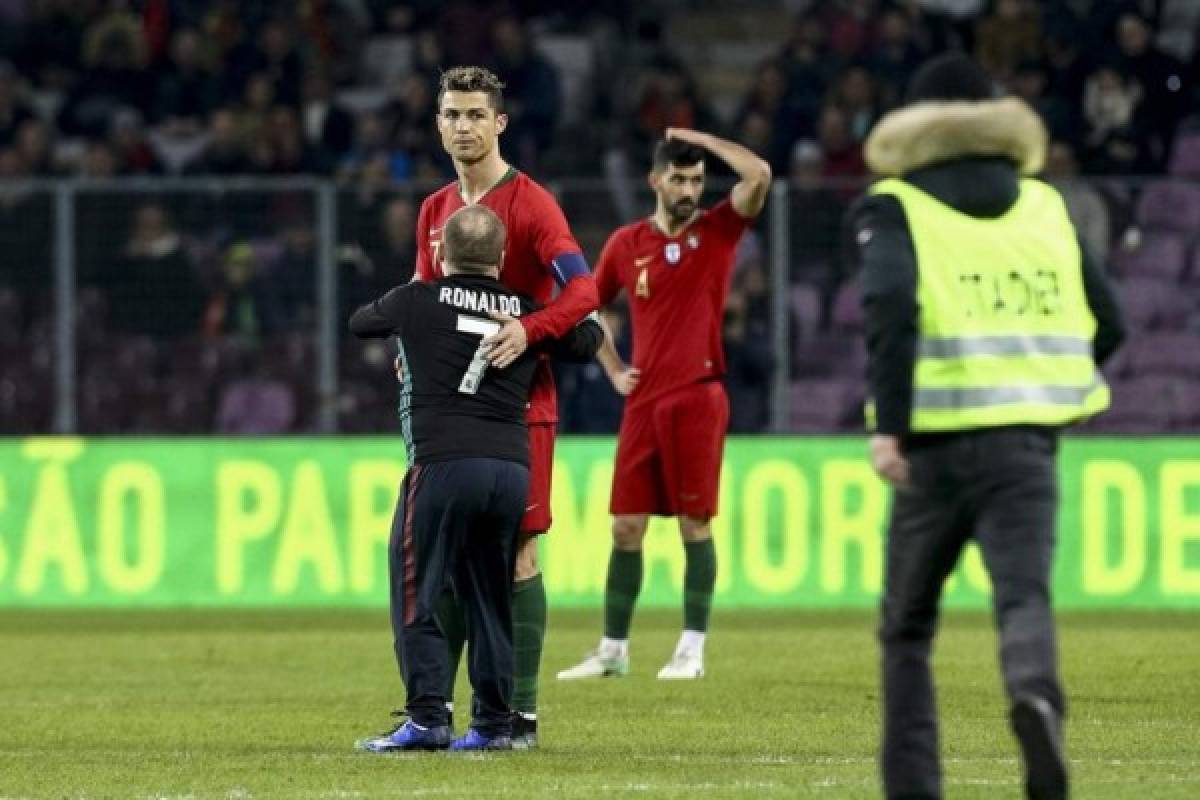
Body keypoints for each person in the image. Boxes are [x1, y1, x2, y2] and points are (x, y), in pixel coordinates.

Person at [850, 53, 1125, 800]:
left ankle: (914, 787)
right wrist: (1045, 378)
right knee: (1024, 599)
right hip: (1027, 444)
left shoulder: (895, 204)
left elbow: (889, 313)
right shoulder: (1047, 204)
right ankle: (1035, 698)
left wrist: (891, 427)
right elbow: (1112, 322)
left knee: (907, 629)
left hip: (933, 450)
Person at [350, 205, 602, 752]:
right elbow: (585, 340)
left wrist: (416, 309)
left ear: (441, 253)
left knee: (415, 585)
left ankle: (426, 718)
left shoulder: (416, 301)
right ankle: (492, 724)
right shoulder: (524, 312)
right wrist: (545, 320)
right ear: (504, 258)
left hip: (441, 465)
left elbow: (361, 322)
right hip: (510, 472)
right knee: (491, 596)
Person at [412, 65, 600, 748]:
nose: (463, 126)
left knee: (517, 554)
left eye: (474, 115)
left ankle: (519, 714)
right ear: (438, 124)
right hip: (451, 414)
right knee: (452, 560)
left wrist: (530, 329)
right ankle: (436, 709)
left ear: (500, 124)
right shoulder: (435, 211)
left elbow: (584, 294)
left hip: (523, 410)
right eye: (451, 115)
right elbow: (423, 295)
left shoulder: (533, 205)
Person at [556, 129, 770, 682]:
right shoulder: (627, 244)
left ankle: (691, 650)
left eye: (697, 180)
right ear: (655, 181)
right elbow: (589, 306)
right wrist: (611, 367)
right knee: (626, 527)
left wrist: (697, 138)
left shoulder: (719, 231)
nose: (689, 189)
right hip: (643, 404)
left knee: (694, 525)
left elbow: (759, 175)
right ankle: (613, 650)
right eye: (678, 178)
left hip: (699, 398)